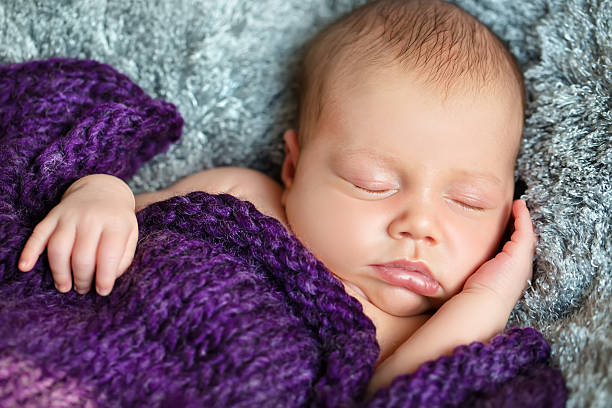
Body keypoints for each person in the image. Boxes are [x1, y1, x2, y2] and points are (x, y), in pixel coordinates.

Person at [18, 0, 535, 394]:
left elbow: (402, 392)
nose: (419, 225)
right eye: (371, 182)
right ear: (293, 166)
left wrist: (489, 298)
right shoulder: (241, 196)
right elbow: (131, 210)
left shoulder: (410, 335)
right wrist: (99, 193)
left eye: (468, 201)